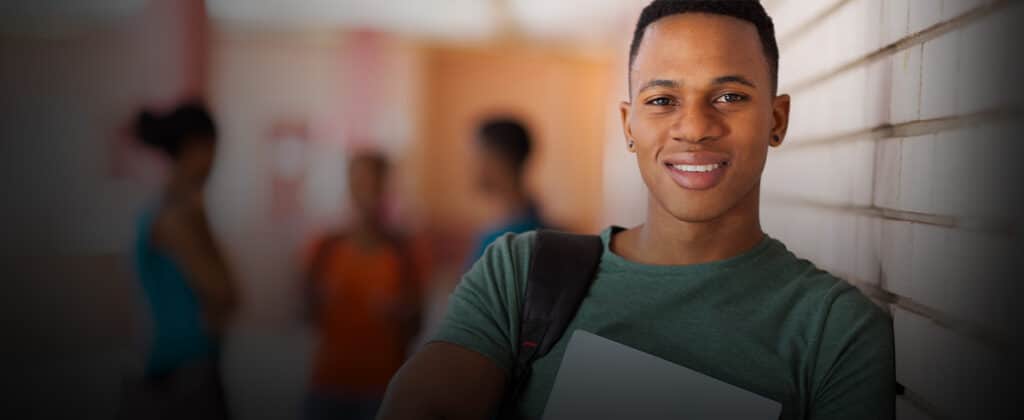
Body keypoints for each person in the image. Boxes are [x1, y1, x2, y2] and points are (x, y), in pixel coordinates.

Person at [378, 1, 895, 419]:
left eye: (730, 96)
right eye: (662, 101)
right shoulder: (520, 274)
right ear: (628, 126)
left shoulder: (836, 332)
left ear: (777, 120)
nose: (693, 128)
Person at [120, 102, 237, 420]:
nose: (214, 161)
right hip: (183, 374)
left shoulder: (171, 211)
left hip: (178, 367)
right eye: (212, 149)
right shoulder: (176, 218)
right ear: (194, 148)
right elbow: (226, 293)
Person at [302, 151, 423, 420]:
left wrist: (400, 312)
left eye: (374, 184)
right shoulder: (324, 249)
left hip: (382, 387)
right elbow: (303, 314)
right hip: (328, 381)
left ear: (386, 188)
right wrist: (316, 299)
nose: (367, 193)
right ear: (349, 186)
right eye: (359, 183)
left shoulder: (405, 253)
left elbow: (418, 324)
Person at [466, 118, 547, 267]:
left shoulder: (512, 239)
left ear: (497, 160)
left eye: (476, 156)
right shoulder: (522, 221)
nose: (468, 166)